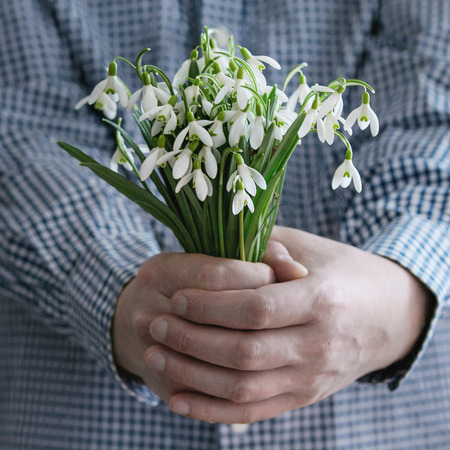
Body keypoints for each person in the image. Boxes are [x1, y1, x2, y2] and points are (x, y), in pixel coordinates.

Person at [0, 0, 449, 448]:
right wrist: (116, 287)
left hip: (377, 426)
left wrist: (393, 294)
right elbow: (22, 128)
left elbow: (434, 96)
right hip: (81, 413)